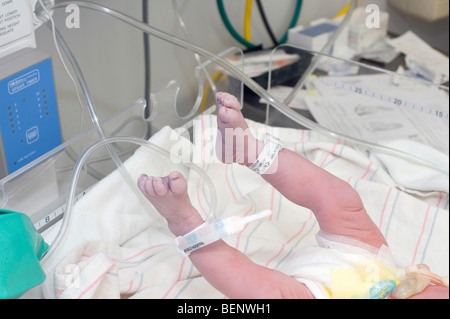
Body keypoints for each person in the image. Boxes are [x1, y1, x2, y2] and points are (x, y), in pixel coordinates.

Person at [137, 92, 449, 299]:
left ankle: (186, 224)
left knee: (259, 289)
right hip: (377, 267)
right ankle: (249, 150)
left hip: (320, 294)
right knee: (341, 199)